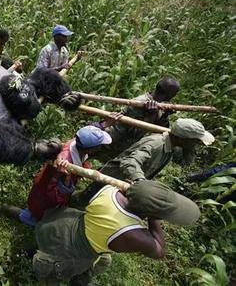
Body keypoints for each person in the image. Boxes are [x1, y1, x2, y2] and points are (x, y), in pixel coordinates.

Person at [32, 179, 200, 285]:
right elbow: (159, 252)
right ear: (147, 213)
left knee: (105, 260)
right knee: (53, 277)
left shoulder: (109, 190)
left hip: (61, 223)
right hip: (69, 251)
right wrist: (155, 218)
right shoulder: (132, 234)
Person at [72, 118, 215, 206]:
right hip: (114, 176)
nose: (196, 144)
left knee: (97, 203)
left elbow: (185, 163)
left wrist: (190, 147)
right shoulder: (156, 144)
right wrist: (140, 181)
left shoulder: (172, 146)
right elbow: (130, 161)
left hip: (123, 182)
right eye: (194, 141)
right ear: (183, 139)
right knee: (84, 200)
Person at [2, 126, 113, 226]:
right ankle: (20, 215)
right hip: (45, 193)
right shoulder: (63, 164)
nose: (100, 148)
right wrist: (65, 179)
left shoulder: (76, 143)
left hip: (48, 189)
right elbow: (52, 193)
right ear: (90, 149)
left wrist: (104, 124)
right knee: (39, 215)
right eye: (99, 146)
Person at [93, 77, 181, 161]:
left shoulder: (158, 105)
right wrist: (150, 114)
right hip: (111, 142)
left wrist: (165, 115)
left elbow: (159, 132)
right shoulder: (140, 103)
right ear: (169, 95)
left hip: (122, 146)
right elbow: (132, 132)